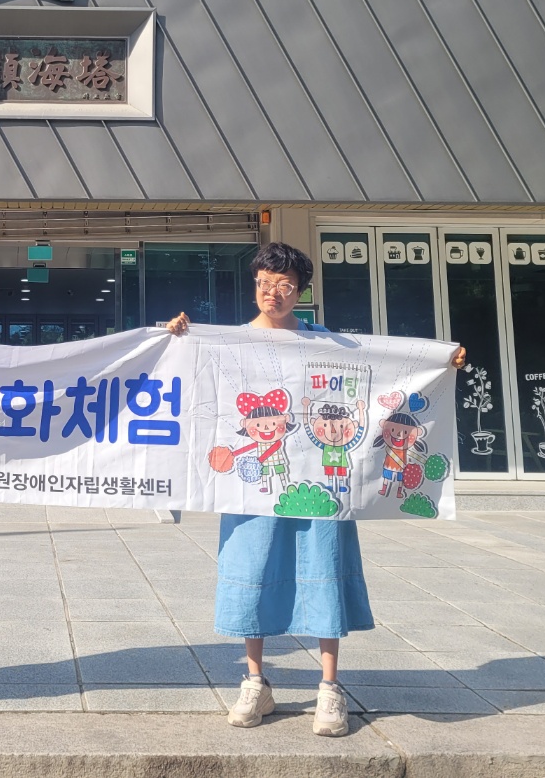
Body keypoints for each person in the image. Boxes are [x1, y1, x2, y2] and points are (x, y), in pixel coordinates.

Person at [166, 241, 463, 737]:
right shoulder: (228, 343)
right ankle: (255, 681)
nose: (272, 293)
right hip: (254, 489)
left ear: (301, 291)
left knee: (323, 566)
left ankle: (329, 687)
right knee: (253, 567)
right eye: (264, 283)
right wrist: (177, 335)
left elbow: (388, 370)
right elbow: (185, 374)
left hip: (325, 484)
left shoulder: (329, 345)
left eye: (284, 285)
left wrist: (443, 360)